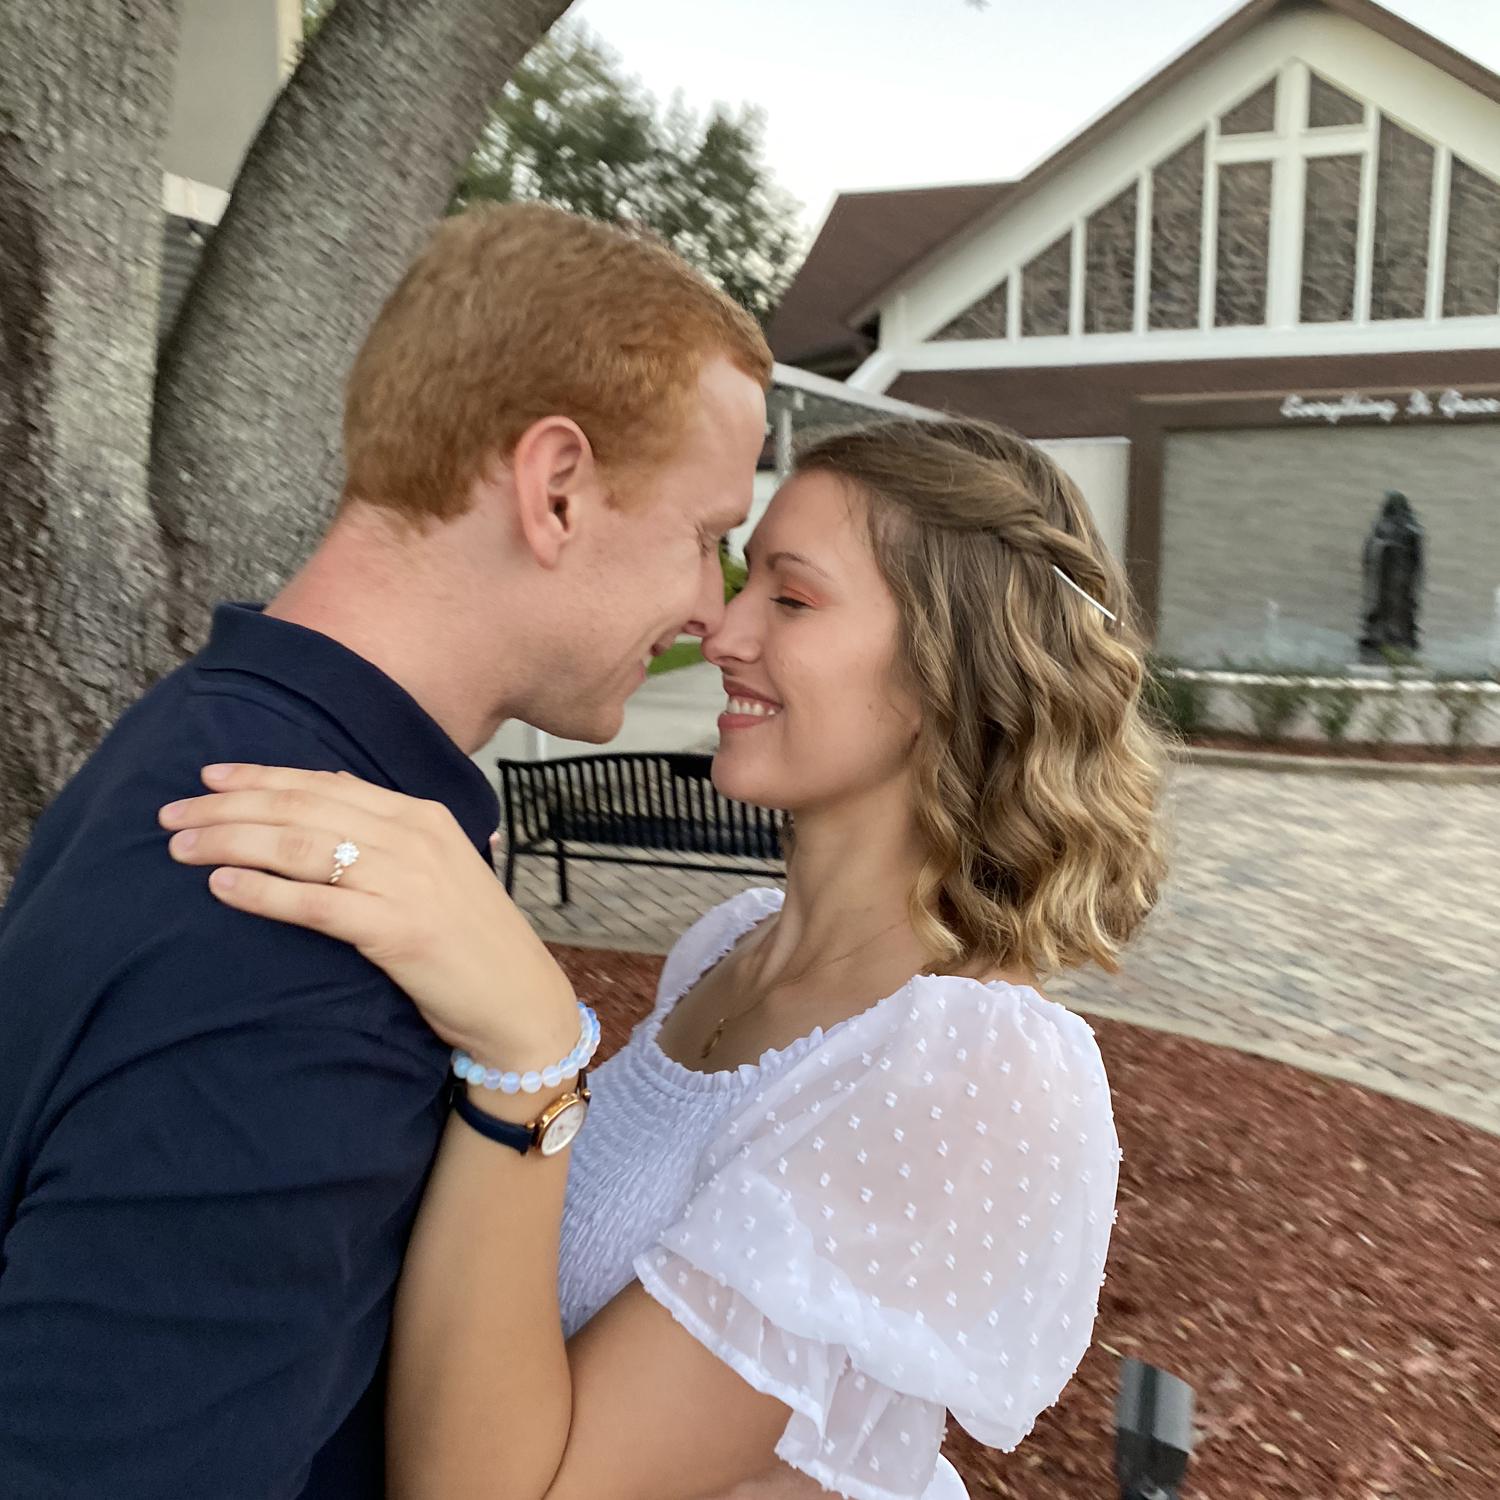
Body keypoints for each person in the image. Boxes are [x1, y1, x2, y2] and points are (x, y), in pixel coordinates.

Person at [162, 416, 1168, 1500]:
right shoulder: (728, 947)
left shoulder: (971, 1068)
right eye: (740, 580)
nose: (721, 630)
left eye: (792, 598)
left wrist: (527, 1061)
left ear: (951, 669)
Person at [0, 203, 770, 1497]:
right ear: (556, 489)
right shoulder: (301, 920)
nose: (712, 605)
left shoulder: (210, 736)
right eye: (706, 536)